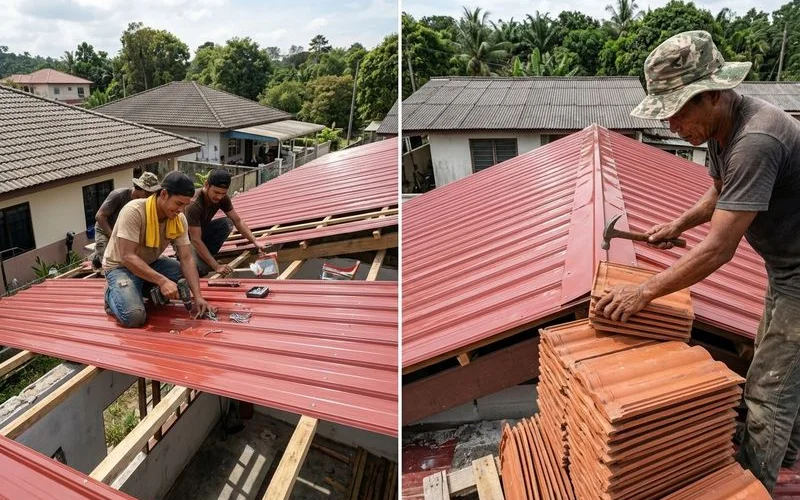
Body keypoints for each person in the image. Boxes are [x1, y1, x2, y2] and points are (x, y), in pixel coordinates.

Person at [595, 30, 800, 492]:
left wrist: (644, 290)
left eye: (676, 112)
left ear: (711, 95)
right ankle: (787, 451)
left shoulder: (756, 139)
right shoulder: (722, 128)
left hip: (799, 272)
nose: (671, 127)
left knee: (769, 387)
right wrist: (676, 226)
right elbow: (719, 192)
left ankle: (752, 484)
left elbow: (719, 250)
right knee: (781, 366)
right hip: (785, 266)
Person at [103, 171, 215, 328]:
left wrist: (198, 296)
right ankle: (111, 293)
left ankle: (144, 286)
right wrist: (162, 281)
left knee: (191, 273)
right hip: (121, 267)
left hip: (150, 263)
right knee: (134, 317)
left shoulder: (178, 218)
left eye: (185, 205)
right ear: (163, 194)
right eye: (178, 203)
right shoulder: (134, 211)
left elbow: (186, 258)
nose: (181, 210)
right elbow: (127, 256)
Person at [185, 169, 267, 276]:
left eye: (223, 193)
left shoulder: (222, 198)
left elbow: (238, 221)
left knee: (226, 223)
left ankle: (207, 257)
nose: (219, 197)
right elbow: (195, 240)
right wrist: (216, 266)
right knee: (201, 270)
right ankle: (202, 260)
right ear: (206, 185)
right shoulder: (194, 204)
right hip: (185, 240)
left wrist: (255, 242)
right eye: (216, 192)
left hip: (200, 234)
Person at [91, 172, 161, 269]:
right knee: (107, 260)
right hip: (106, 228)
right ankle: (98, 258)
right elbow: (100, 216)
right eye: (148, 193)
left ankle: (97, 258)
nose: (150, 196)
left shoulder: (146, 202)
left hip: (124, 231)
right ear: (139, 188)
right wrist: (112, 235)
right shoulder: (118, 195)